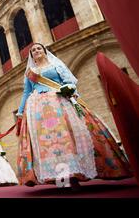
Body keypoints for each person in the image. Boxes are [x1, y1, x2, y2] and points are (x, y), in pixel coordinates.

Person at [16, 43, 133, 189]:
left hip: (60, 103)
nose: (36, 51)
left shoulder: (56, 65)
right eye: (33, 50)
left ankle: (85, 171)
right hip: (38, 110)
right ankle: (63, 178)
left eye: (39, 48)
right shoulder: (30, 72)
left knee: (69, 136)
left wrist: (69, 88)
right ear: (31, 56)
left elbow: (69, 81)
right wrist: (20, 113)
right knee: (50, 143)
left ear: (45, 51)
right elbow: (26, 92)